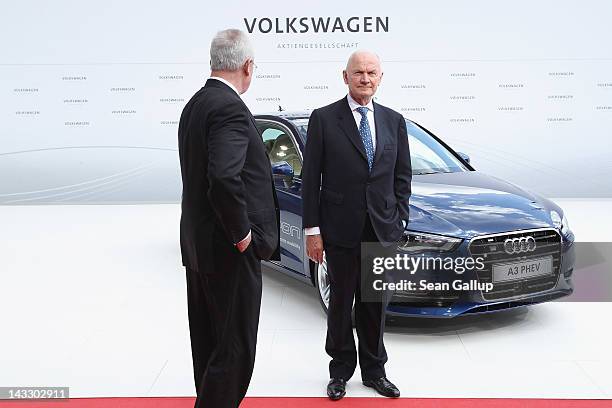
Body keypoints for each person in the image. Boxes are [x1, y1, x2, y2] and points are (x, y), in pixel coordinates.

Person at [178, 29, 280, 408]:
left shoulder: (195, 104)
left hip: (200, 248)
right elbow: (223, 177)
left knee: (209, 346)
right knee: (234, 351)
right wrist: (243, 235)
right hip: (227, 251)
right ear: (248, 66)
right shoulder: (229, 107)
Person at [301, 50, 411, 400]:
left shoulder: (394, 121)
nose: (365, 78)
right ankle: (339, 371)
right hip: (339, 228)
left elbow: (401, 175)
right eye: (358, 72)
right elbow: (310, 179)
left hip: (381, 228)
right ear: (345, 77)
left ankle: (375, 371)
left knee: (374, 304)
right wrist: (312, 230)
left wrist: (400, 216)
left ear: (381, 77)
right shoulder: (323, 118)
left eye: (371, 72)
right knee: (340, 303)